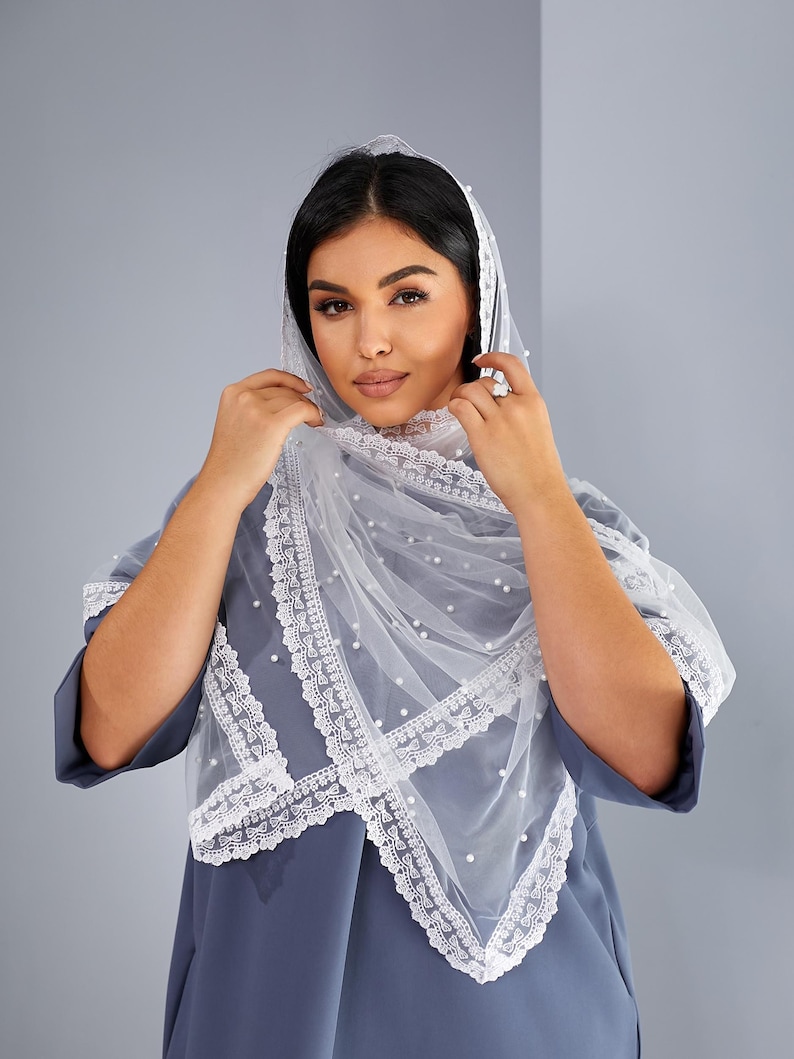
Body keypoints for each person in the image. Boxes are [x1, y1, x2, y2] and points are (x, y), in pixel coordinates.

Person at [55, 135, 734, 1058]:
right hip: (264, 1010)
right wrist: (218, 488)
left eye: (408, 295)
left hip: (513, 1016)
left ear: (475, 300)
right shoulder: (249, 509)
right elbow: (108, 727)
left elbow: (650, 752)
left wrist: (535, 496)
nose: (368, 340)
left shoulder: (558, 521)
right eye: (334, 306)